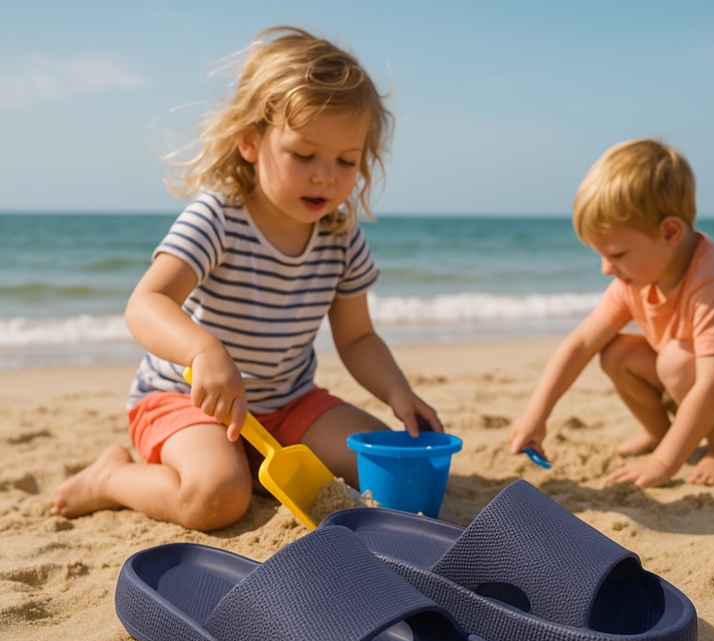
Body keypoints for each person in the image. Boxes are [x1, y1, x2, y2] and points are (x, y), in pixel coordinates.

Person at [53, 26, 441, 531]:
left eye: (346, 160)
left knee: (386, 465)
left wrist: (398, 391)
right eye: (304, 154)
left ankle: (253, 461)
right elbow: (146, 303)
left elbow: (358, 337)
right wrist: (202, 352)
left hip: (290, 403)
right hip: (189, 402)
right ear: (251, 142)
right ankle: (111, 478)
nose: (326, 175)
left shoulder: (341, 236)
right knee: (217, 497)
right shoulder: (218, 218)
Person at [508, 138, 714, 488]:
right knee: (616, 352)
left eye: (617, 254)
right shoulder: (636, 279)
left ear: (670, 232)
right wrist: (536, 415)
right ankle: (661, 435)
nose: (606, 269)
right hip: (696, 382)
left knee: (677, 359)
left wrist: (663, 465)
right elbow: (581, 344)